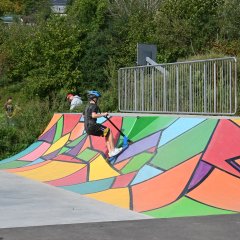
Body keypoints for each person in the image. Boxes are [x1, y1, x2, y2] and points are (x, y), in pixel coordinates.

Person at [84, 90, 122, 157]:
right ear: (94, 98)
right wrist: (103, 114)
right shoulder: (94, 106)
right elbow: (93, 115)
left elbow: (85, 115)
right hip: (93, 126)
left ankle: (110, 152)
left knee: (106, 133)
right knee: (109, 131)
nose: (97, 100)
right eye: (97, 98)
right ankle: (113, 150)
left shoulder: (87, 107)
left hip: (87, 129)